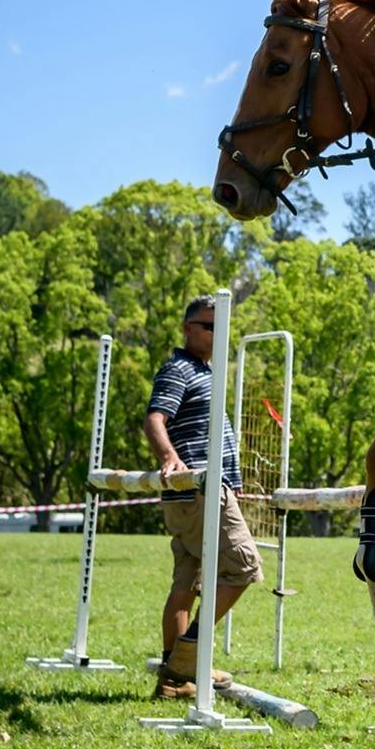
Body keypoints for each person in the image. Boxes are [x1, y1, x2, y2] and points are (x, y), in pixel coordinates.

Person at [144, 294, 262, 699]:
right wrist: (170, 456)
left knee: (186, 584)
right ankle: (188, 658)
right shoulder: (179, 369)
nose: (216, 334)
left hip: (201, 492)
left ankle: (172, 682)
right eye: (210, 326)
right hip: (198, 491)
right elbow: (155, 419)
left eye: (221, 327)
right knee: (246, 566)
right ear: (188, 328)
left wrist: (232, 477)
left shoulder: (203, 371)